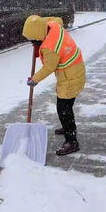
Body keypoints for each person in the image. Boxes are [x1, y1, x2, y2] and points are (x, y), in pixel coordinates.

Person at [22, 15, 86, 155]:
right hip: (75, 68)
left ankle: (72, 141)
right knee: (67, 105)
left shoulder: (49, 48)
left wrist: (35, 79)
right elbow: (58, 19)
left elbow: (49, 67)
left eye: (33, 40)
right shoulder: (54, 25)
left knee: (63, 108)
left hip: (70, 77)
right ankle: (67, 126)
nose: (33, 42)